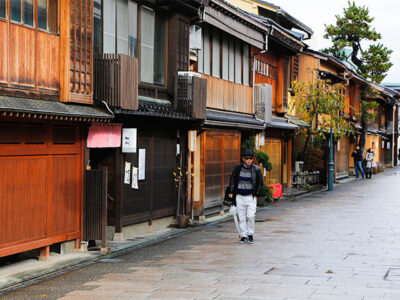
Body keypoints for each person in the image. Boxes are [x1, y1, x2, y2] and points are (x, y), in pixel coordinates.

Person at [228, 150, 263, 244]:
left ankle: (250, 234)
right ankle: (243, 235)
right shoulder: (237, 168)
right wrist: (231, 191)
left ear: (252, 159)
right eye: (247, 158)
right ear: (243, 159)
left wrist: (256, 194)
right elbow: (233, 179)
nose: (248, 160)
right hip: (239, 196)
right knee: (242, 217)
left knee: (251, 216)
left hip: (250, 196)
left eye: (250, 158)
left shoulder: (256, 169)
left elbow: (260, 183)